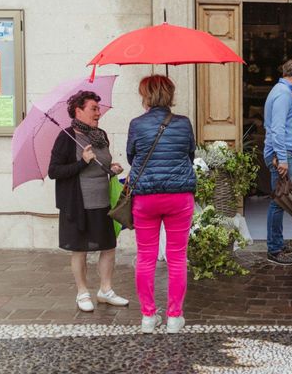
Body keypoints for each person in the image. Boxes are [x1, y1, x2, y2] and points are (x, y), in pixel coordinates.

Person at [126, 75, 196, 334]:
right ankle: (175, 317)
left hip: (146, 197)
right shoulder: (184, 123)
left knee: (146, 257)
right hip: (179, 196)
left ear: (146, 95)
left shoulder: (136, 124)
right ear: (170, 95)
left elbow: (133, 157)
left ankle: (148, 316)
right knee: (177, 258)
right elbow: (191, 153)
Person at [48, 90, 128, 313]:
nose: (98, 113)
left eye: (99, 109)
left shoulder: (100, 135)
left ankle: (105, 290)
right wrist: (82, 162)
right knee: (79, 249)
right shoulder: (66, 137)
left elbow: (101, 164)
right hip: (78, 203)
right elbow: (54, 171)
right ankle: (82, 292)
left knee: (109, 246)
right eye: (93, 108)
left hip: (103, 202)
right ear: (78, 110)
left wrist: (112, 169)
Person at [263, 57, 292, 265]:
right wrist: (282, 158)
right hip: (280, 155)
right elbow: (277, 129)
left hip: (280, 151)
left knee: (279, 200)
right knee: (278, 201)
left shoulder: (279, 91)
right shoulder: (283, 95)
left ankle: (277, 242)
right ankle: (274, 249)